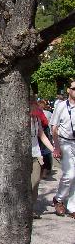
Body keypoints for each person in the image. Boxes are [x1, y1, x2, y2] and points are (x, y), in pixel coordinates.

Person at [50, 81, 75, 218]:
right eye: (74, 88)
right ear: (68, 90)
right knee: (69, 174)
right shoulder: (61, 106)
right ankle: (58, 199)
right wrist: (57, 146)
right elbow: (54, 127)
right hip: (65, 142)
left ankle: (72, 207)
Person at [31, 100, 55, 219]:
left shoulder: (36, 119)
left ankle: (31, 208)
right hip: (21, 156)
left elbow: (42, 135)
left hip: (35, 154)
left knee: (35, 183)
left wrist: (53, 149)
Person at [37, 99, 53, 178]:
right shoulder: (45, 113)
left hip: (43, 134)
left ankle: (44, 171)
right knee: (45, 154)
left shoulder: (40, 114)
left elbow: (42, 133)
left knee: (45, 153)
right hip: (44, 134)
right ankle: (45, 171)